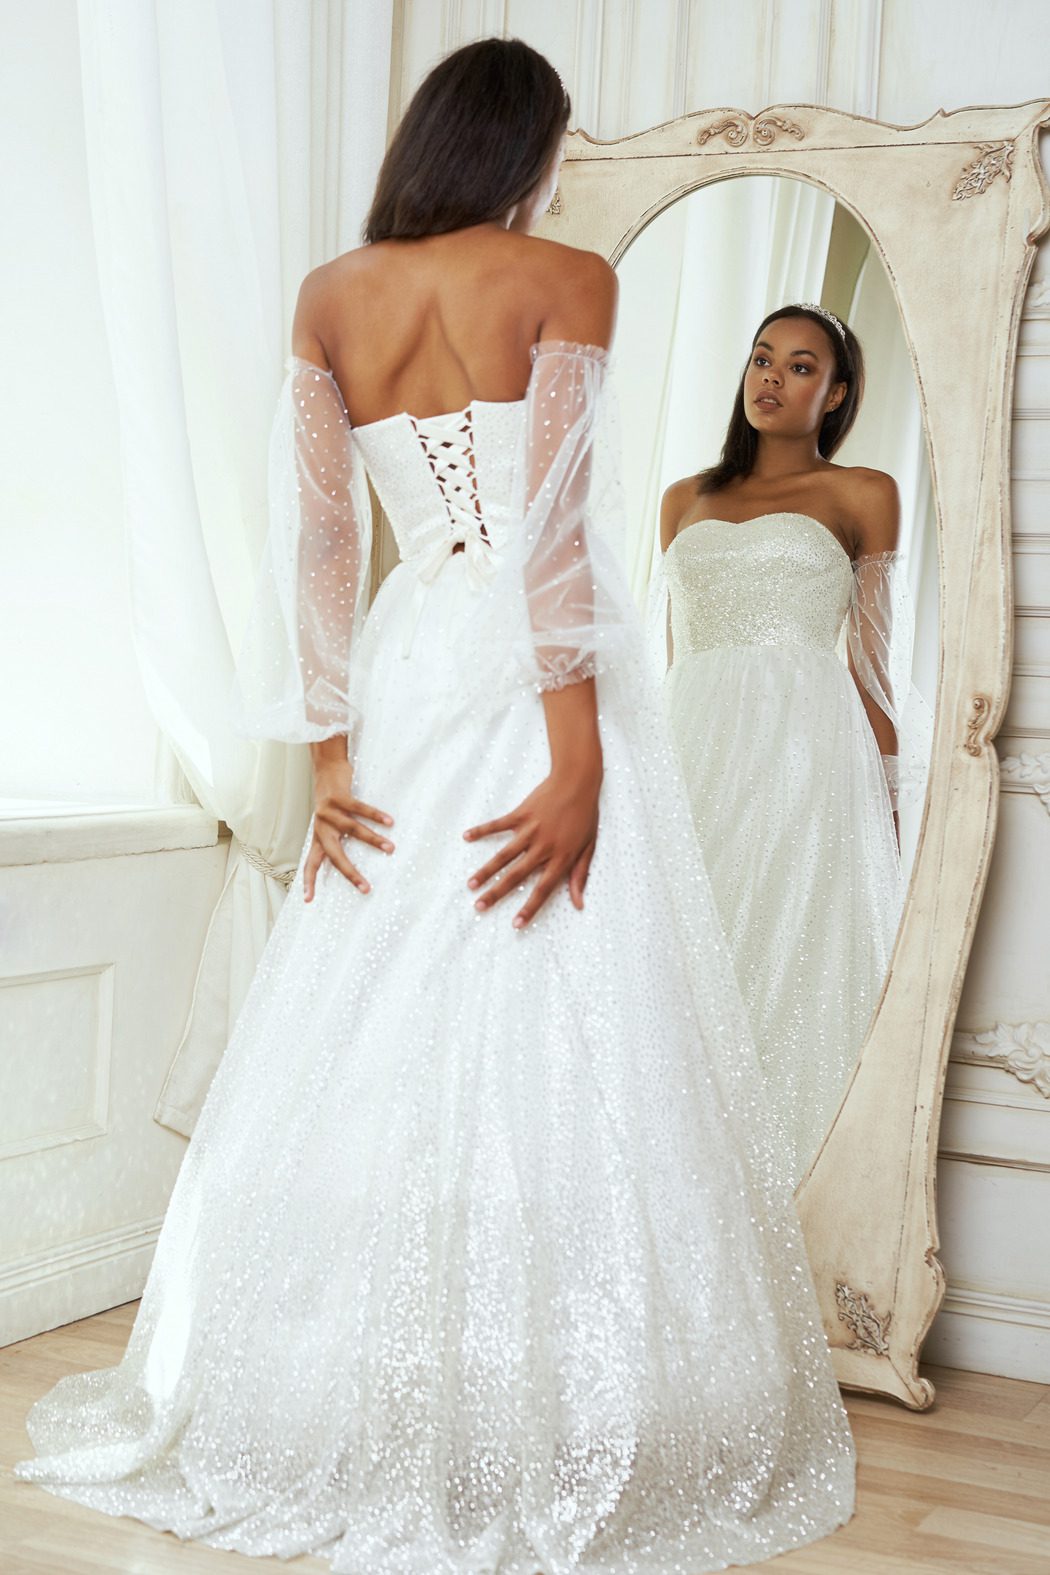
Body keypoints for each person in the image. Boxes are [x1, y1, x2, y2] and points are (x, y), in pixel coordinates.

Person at [15, 43, 855, 1572]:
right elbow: (548, 540)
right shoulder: (565, 272)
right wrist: (578, 750)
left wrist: (331, 757)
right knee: (553, 996)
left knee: (380, 998)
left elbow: (327, 548)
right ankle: (529, 1386)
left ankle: (328, 1367)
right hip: (531, 677)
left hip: (405, 675)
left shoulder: (334, 293)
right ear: (525, 148)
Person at [659, 303, 915, 1187]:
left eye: (802, 367)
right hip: (693, 745)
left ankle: (789, 1200)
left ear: (837, 392)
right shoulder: (684, 499)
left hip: (807, 755)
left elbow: (873, 666)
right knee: (687, 963)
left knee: (789, 964)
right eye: (762, 358)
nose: (771, 378)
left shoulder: (863, 493)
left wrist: (886, 798)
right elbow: (675, 653)